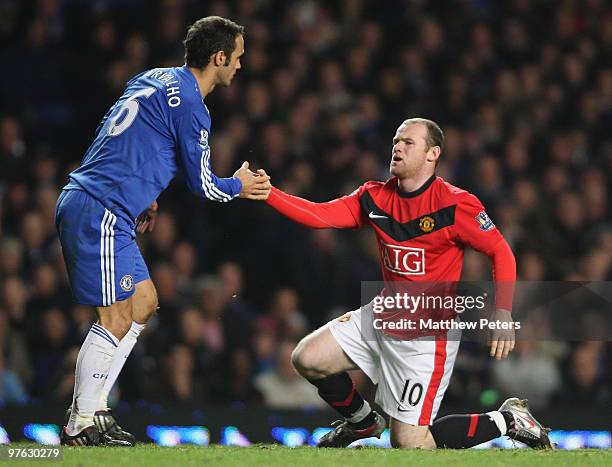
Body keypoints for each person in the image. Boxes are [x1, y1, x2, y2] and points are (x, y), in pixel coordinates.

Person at [261, 118, 553, 449]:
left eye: (408, 142)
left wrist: (502, 312)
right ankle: (363, 423)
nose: (397, 147)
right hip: (384, 314)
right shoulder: (375, 196)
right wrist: (268, 193)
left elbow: (501, 252)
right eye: (396, 141)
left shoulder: (456, 204)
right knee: (307, 357)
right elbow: (320, 215)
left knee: (410, 445)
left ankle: (509, 420)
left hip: (427, 337)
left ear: (432, 154)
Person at [55, 16, 270, 446]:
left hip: (105, 205)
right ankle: (81, 421)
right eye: (238, 58)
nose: (241, 67)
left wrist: (144, 194)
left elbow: (117, 132)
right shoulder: (194, 107)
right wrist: (239, 185)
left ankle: (95, 410)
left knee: (144, 302)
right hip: (101, 209)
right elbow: (204, 186)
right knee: (114, 318)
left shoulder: (152, 77)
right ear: (219, 57)